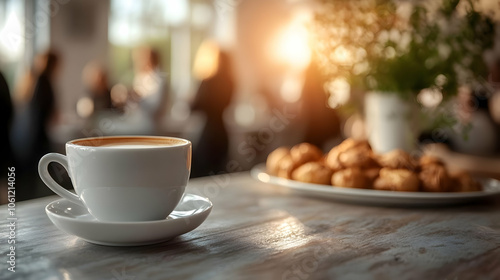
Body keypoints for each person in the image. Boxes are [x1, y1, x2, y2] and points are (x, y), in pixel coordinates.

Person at [191, 50, 235, 177]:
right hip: (222, 133)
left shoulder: (208, 81)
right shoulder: (231, 82)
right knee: (218, 172)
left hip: (208, 134)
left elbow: (195, 106)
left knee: (201, 173)